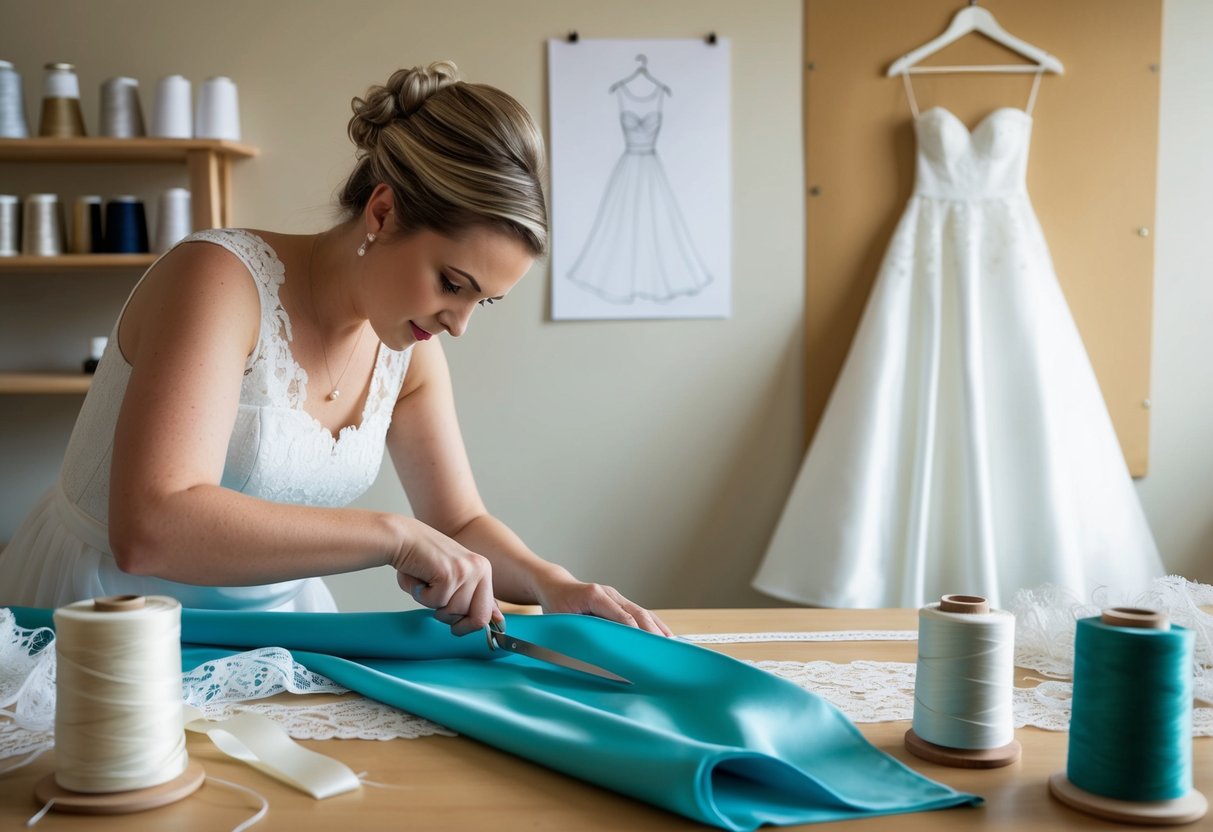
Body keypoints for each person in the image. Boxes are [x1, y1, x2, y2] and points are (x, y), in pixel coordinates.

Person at [0, 61, 671, 638]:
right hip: (103, 616)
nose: (459, 323)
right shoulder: (217, 282)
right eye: (451, 284)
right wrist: (390, 535)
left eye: (481, 301)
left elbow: (459, 520)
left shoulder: (407, 351)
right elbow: (152, 527)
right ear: (381, 213)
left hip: (276, 629)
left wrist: (556, 586)